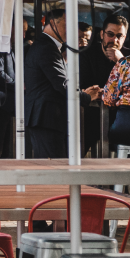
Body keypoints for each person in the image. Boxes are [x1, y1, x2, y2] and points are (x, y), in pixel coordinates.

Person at [26, 9, 100, 158]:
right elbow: (62, 84)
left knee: (52, 167)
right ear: (53, 23)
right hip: (46, 118)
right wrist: (86, 96)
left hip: (45, 118)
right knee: (53, 169)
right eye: (68, 25)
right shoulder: (47, 48)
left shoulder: (47, 46)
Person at [80, 14, 128, 154]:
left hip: (119, 117)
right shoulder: (86, 54)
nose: (115, 40)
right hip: (90, 115)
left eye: (120, 36)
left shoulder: (128, 58)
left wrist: (121, 62)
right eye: (110, 34)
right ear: (102, 34)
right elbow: (84, 86)